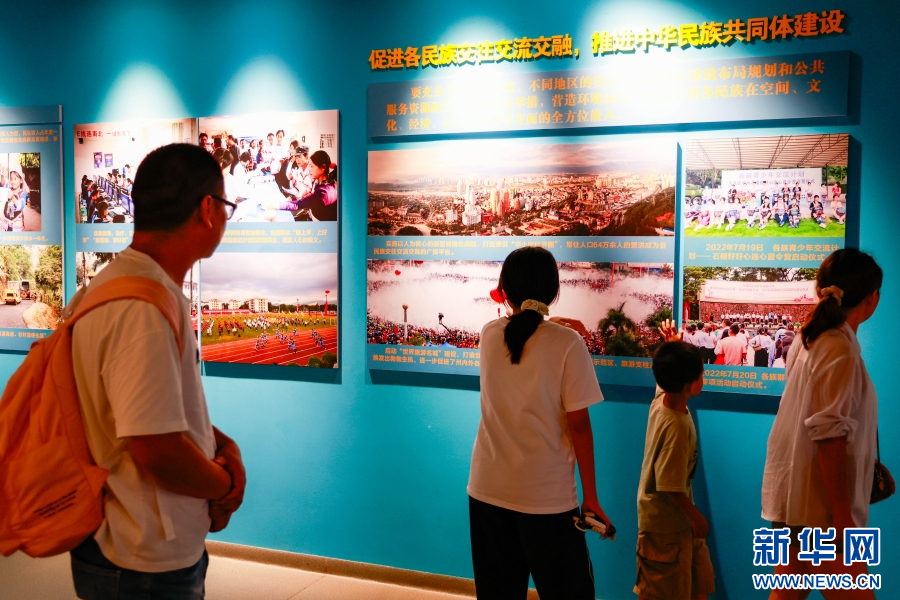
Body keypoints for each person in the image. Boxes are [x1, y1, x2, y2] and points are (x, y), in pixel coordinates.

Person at [70, 143, 246, 599]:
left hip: (133, 543)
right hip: (142, 557)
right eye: (226, 207)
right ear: (207, 209)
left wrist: (222, 445)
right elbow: (155, 449)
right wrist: (227, 484)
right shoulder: (141, 307)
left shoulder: (118, 286)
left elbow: (147, 412)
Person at [467, 247, 612, 599]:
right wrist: (591, 497)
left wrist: (551, 326)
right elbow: (579, 426)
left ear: (504, 289)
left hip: (487, 491)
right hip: (547, 499)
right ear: (554, 291)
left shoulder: (489, 335)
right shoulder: (568, 344)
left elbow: (524, 334)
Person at [761, 249, 885, 599]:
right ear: (872, 298)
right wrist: (842, 516)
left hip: (799, 499)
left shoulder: (811, 339)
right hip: (819, 508)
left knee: (786, 593)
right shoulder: (836, 347)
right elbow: (829, 435)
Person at [635, 336, 715, 600]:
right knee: (661, 590)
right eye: (702, 373)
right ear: (691, 385)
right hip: (664, 526)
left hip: (675, 522)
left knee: (696, 581)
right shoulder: (676, 428)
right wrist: (696, 517)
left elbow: (663, 381)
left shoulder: (663, 400)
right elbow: (669, 485)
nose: (703, 377)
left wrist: (673, 344)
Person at [282, 150, 338, 221]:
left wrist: (275, 205)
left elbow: (297, 205)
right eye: (309, 166)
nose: (309, 170)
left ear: (323, 167)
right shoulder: (329, 178)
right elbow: (335, 167)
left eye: (312, 166)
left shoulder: (323, 192)